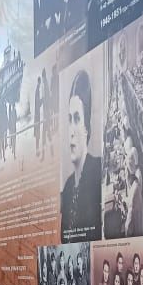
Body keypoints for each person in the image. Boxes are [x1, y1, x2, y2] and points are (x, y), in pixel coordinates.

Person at [60, 70, 102, 242]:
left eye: (77, 118)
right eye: (69, 119)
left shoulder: (98, 169)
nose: (71, 130)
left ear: (86, 128)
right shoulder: (68, 185)